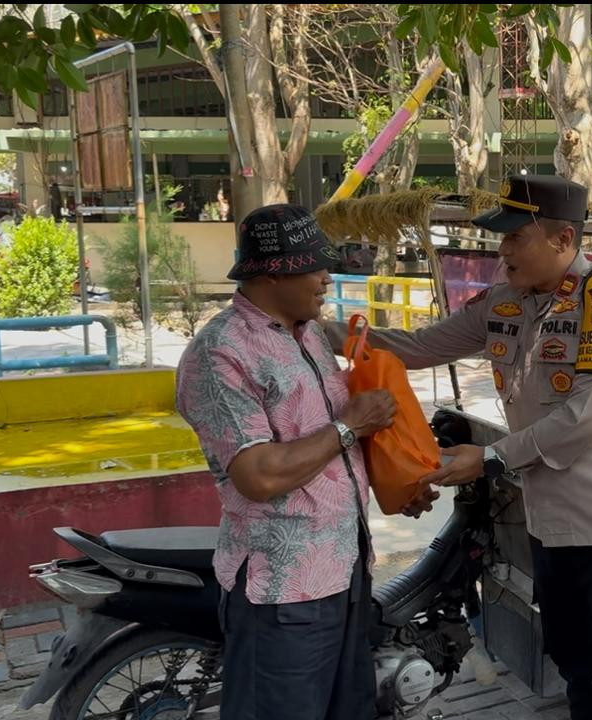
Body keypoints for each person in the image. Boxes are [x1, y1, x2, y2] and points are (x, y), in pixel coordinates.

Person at [321, 175, 592, 720]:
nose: (501, 248)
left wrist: (489, 458)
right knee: (577, 667)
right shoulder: (502, 304)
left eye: (515, 236)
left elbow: (582, 418)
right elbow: (418, 347)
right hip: (550, 523)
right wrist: (317, 331)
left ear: (562, 240)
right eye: (501, 237)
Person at [175, 203, 435, 720]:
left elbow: (334, 447)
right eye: (314, 267)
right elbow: (258, 474)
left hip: (344, 569)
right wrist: (349, 427)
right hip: (282, 589)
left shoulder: (309, 333)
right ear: (272, 274)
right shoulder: (220, 353)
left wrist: (401, 483)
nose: (326, 277)